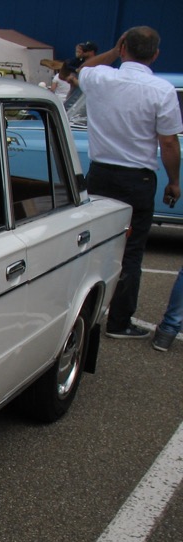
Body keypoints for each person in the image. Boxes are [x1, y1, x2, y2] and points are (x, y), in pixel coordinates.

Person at [77, 27, 182, 339]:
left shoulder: (101, 78)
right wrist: (174, 181)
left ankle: (83, 308)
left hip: (100, 173)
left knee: (93, 243)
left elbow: (83, 69)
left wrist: (113, 50)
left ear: (123, 48)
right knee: (131, 251)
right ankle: (120, 321)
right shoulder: (160, 90)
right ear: (155, 54)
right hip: (137, 178)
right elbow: (168, 143)